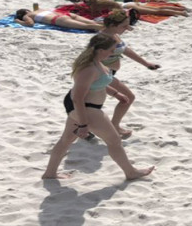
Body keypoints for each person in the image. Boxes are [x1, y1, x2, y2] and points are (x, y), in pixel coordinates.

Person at [41, 34, 155, 180]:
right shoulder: (88, 69)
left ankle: (49, 174)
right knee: (114, 141)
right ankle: (131, 173)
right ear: (101, 50)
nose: (113, 53)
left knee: (66, 140)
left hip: (84, 106)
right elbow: (78, 98)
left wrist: (115, 94)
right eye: (111, 50)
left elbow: (98, 83)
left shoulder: (97, 63)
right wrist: (83, 124)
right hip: (85, 107)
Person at [99, 10, 160, 138]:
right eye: (124, 26)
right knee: (127, 98)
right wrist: (100, 79)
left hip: (109, 74)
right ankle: (113, 126)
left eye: (128, 25)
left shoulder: (114, 34)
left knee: (93, 104)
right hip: (100, 76)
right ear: (112, 25)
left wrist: (146, 63)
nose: (128, 28)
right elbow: (92, 60)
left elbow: (125, 50)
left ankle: (109, 126)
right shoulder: (103, 40)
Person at [80, 0, 189, 17]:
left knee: (157, 11)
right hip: (128, 4)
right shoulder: (101, 0)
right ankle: (181, 10)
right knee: (156, 9)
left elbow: (93, 15)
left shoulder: (95, 5)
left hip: (127, 7)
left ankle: (181, 12)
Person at [14, 8, 104, 31]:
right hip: (66, 14)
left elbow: (30, 24)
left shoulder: (27, 15)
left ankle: (107, 28)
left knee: (86, 26)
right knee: (93, 22)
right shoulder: (40, 9)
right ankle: (108, 25)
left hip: (58, 19)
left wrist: (19, 21)